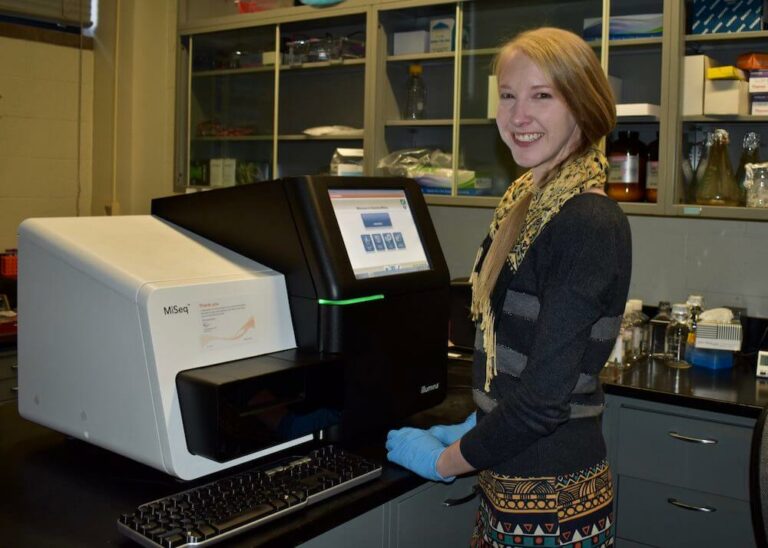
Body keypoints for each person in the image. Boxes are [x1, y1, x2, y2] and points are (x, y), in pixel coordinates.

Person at [386, 27, 631, 547]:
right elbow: (519, 366)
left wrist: (444, 460)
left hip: (554, 503)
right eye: (508, 95)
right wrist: (478, 424)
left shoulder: (587, 221)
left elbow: (543, 401)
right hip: (513, 482)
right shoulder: (528, 204)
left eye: (543, 96)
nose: (519, 116)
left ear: (581, 106)